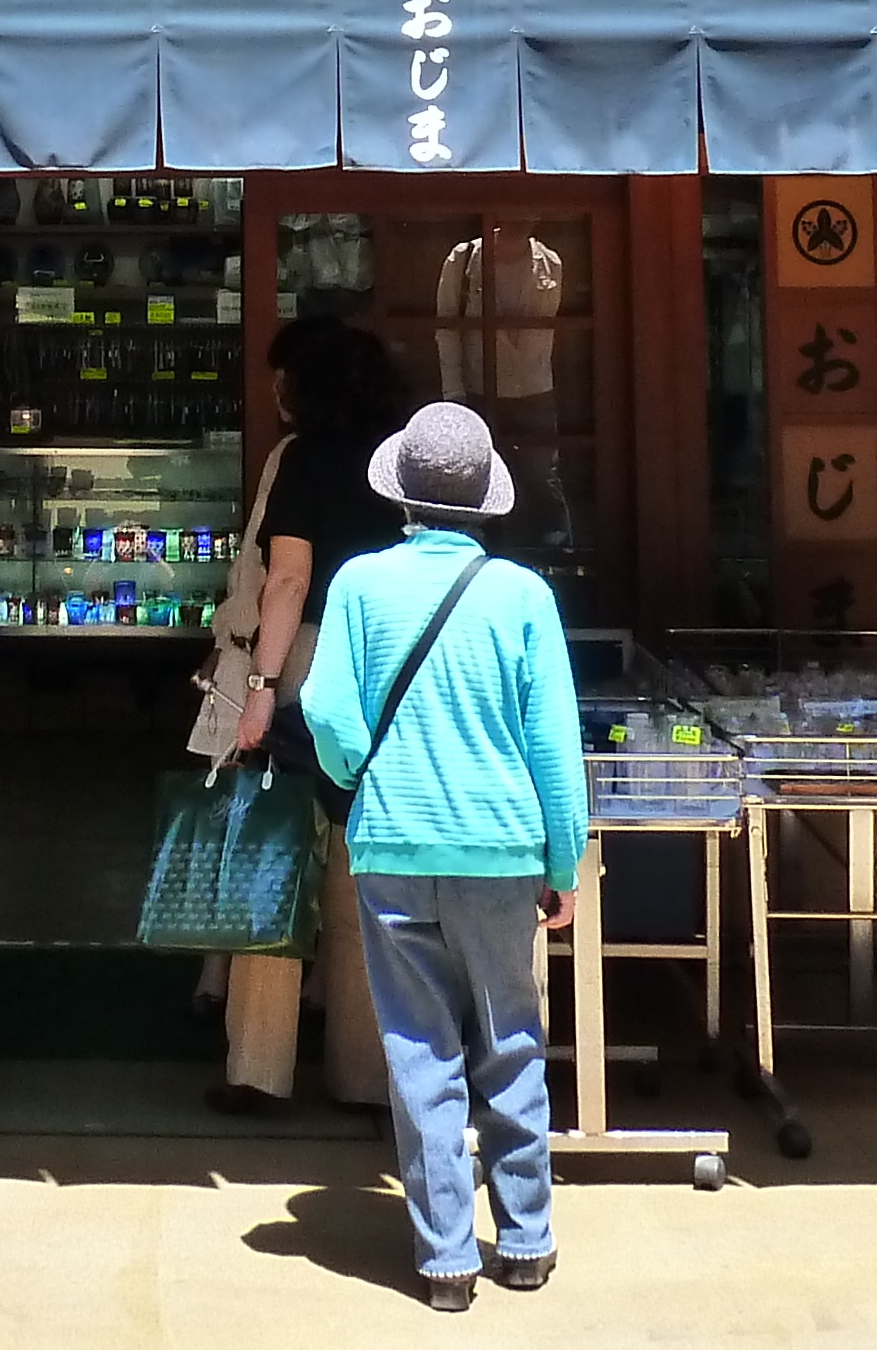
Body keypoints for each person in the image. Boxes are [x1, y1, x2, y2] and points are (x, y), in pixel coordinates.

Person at [302, 401, 587, 1314]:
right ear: (484, 502)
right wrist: (564, 863)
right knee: (509, 1039)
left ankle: (445, 1259)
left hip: (391, 840)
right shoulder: (524, 597)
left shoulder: (357, 585)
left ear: (403, 498)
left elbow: (331, 715)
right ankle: (529, 1239)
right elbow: (554, 745)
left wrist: (361, 773)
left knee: (419, 1052)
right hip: (504, 849)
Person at [211, 313, 410, 1115]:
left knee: (276, 858)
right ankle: (365, 1076)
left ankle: (260, 1068)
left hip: (308, 661)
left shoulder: (303, 460)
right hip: (391, 665)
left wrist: (260, 689)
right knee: (364, 874)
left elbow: (286, 583)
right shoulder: (404, 459)